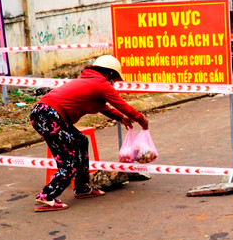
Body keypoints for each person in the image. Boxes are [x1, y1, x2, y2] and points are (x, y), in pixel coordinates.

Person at [29, 55, 149, 212]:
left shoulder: (90, 81)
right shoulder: (101, 84)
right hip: (49, 115)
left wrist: (121, 118)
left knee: (80, 141)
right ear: (109, 73)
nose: (115, 83)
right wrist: (141, 120)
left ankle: (82, 187)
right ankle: (47, 196)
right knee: (70, 159)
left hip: (45, 114)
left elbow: (103, 107)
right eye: (115, 78)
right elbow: (122, 105)